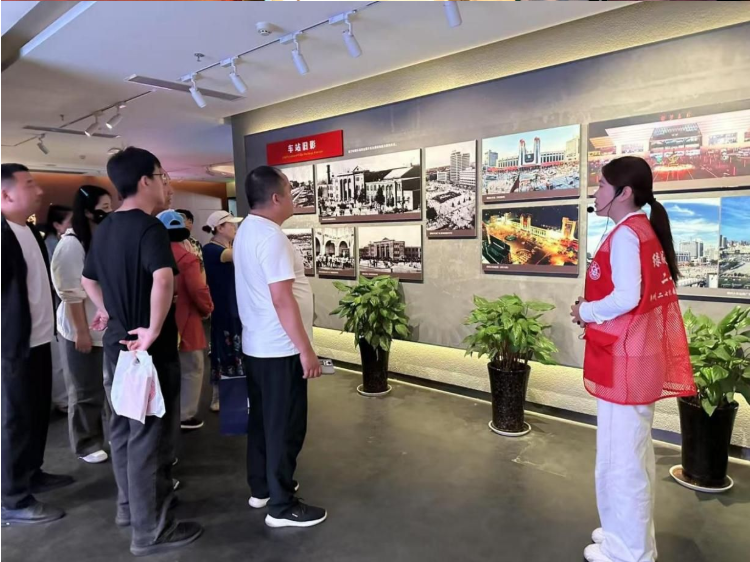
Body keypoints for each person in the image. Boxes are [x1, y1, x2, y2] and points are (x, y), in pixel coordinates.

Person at [570, 156, 695, 562]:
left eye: (601, 186)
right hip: (636, 355)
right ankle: (621, 534)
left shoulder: (626, 235)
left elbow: (626, 297)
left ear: (624, 193)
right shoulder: (642, 229)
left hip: (625, 360)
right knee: (630, 454)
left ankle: (629, 552)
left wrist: (585, 311)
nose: (595, 193)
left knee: (620, 459)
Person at [81, 147, 202, 556]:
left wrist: (106, 310)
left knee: (122, 430)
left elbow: (88, 280)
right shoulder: (149, 228)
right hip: (146, 352)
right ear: (145, 181)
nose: (167, 184)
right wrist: (152, 329)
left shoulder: (106, 229)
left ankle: (129, 509)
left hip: (117, 347)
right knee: (151, 436)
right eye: (162, 176)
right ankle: (151, 531)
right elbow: (163, 279)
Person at [234, 166, 326, 529]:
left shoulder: (247, 230)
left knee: (262, 422)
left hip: (259, 346)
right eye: (290, 190)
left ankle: (263, 488)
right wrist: (306, 350)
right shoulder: (272, 238)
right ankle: (282, 505)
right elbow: (282, 299)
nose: (294, 195)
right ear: (276, 197)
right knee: (285, 427)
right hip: (280, 349)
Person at [1, 163, 74, 526]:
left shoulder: (28, 230)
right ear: (5, 194)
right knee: (14, 420)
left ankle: (32, 472)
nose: (39, 191)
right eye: (29, 184)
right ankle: (12, 498)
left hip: (41, 338)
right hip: (12, 347)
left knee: (36, 412)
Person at [51, 185, 113, 464]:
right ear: (88, 211)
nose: (109, 213)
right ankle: (86, 443)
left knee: (108, 387)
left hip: (104, 326)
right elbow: (70, 294)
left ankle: (111, 434)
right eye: (104, 208)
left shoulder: (101, 238)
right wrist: (81, 332)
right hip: (82, 326)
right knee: (85, 389)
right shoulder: (71, 245)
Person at [157, 210, 214, 431]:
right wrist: (207, 308)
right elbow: (198, 289)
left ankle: (163, 412)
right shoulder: (187, 258)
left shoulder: (152, 254)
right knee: (192, 367)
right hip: (186, 319)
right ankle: (185, 414)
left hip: (157, 321)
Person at [202, 210, 243, 412]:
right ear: (219, 228)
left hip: (235, 307)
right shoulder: (211, 249)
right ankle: (219, 396)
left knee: (236, 350)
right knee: (223, 351)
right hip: (223, 308)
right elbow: (238, 256)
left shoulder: (228, 247)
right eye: (231, 225)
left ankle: (237, 393)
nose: (235, 228)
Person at [43, 204, 74, 414]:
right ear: (57, 225)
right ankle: (62, 400)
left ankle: (63, 398)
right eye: (70, 222)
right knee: (59, 357)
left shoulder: (59, 243)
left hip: (58, 306)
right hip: (55, 306)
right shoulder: (53, 246)